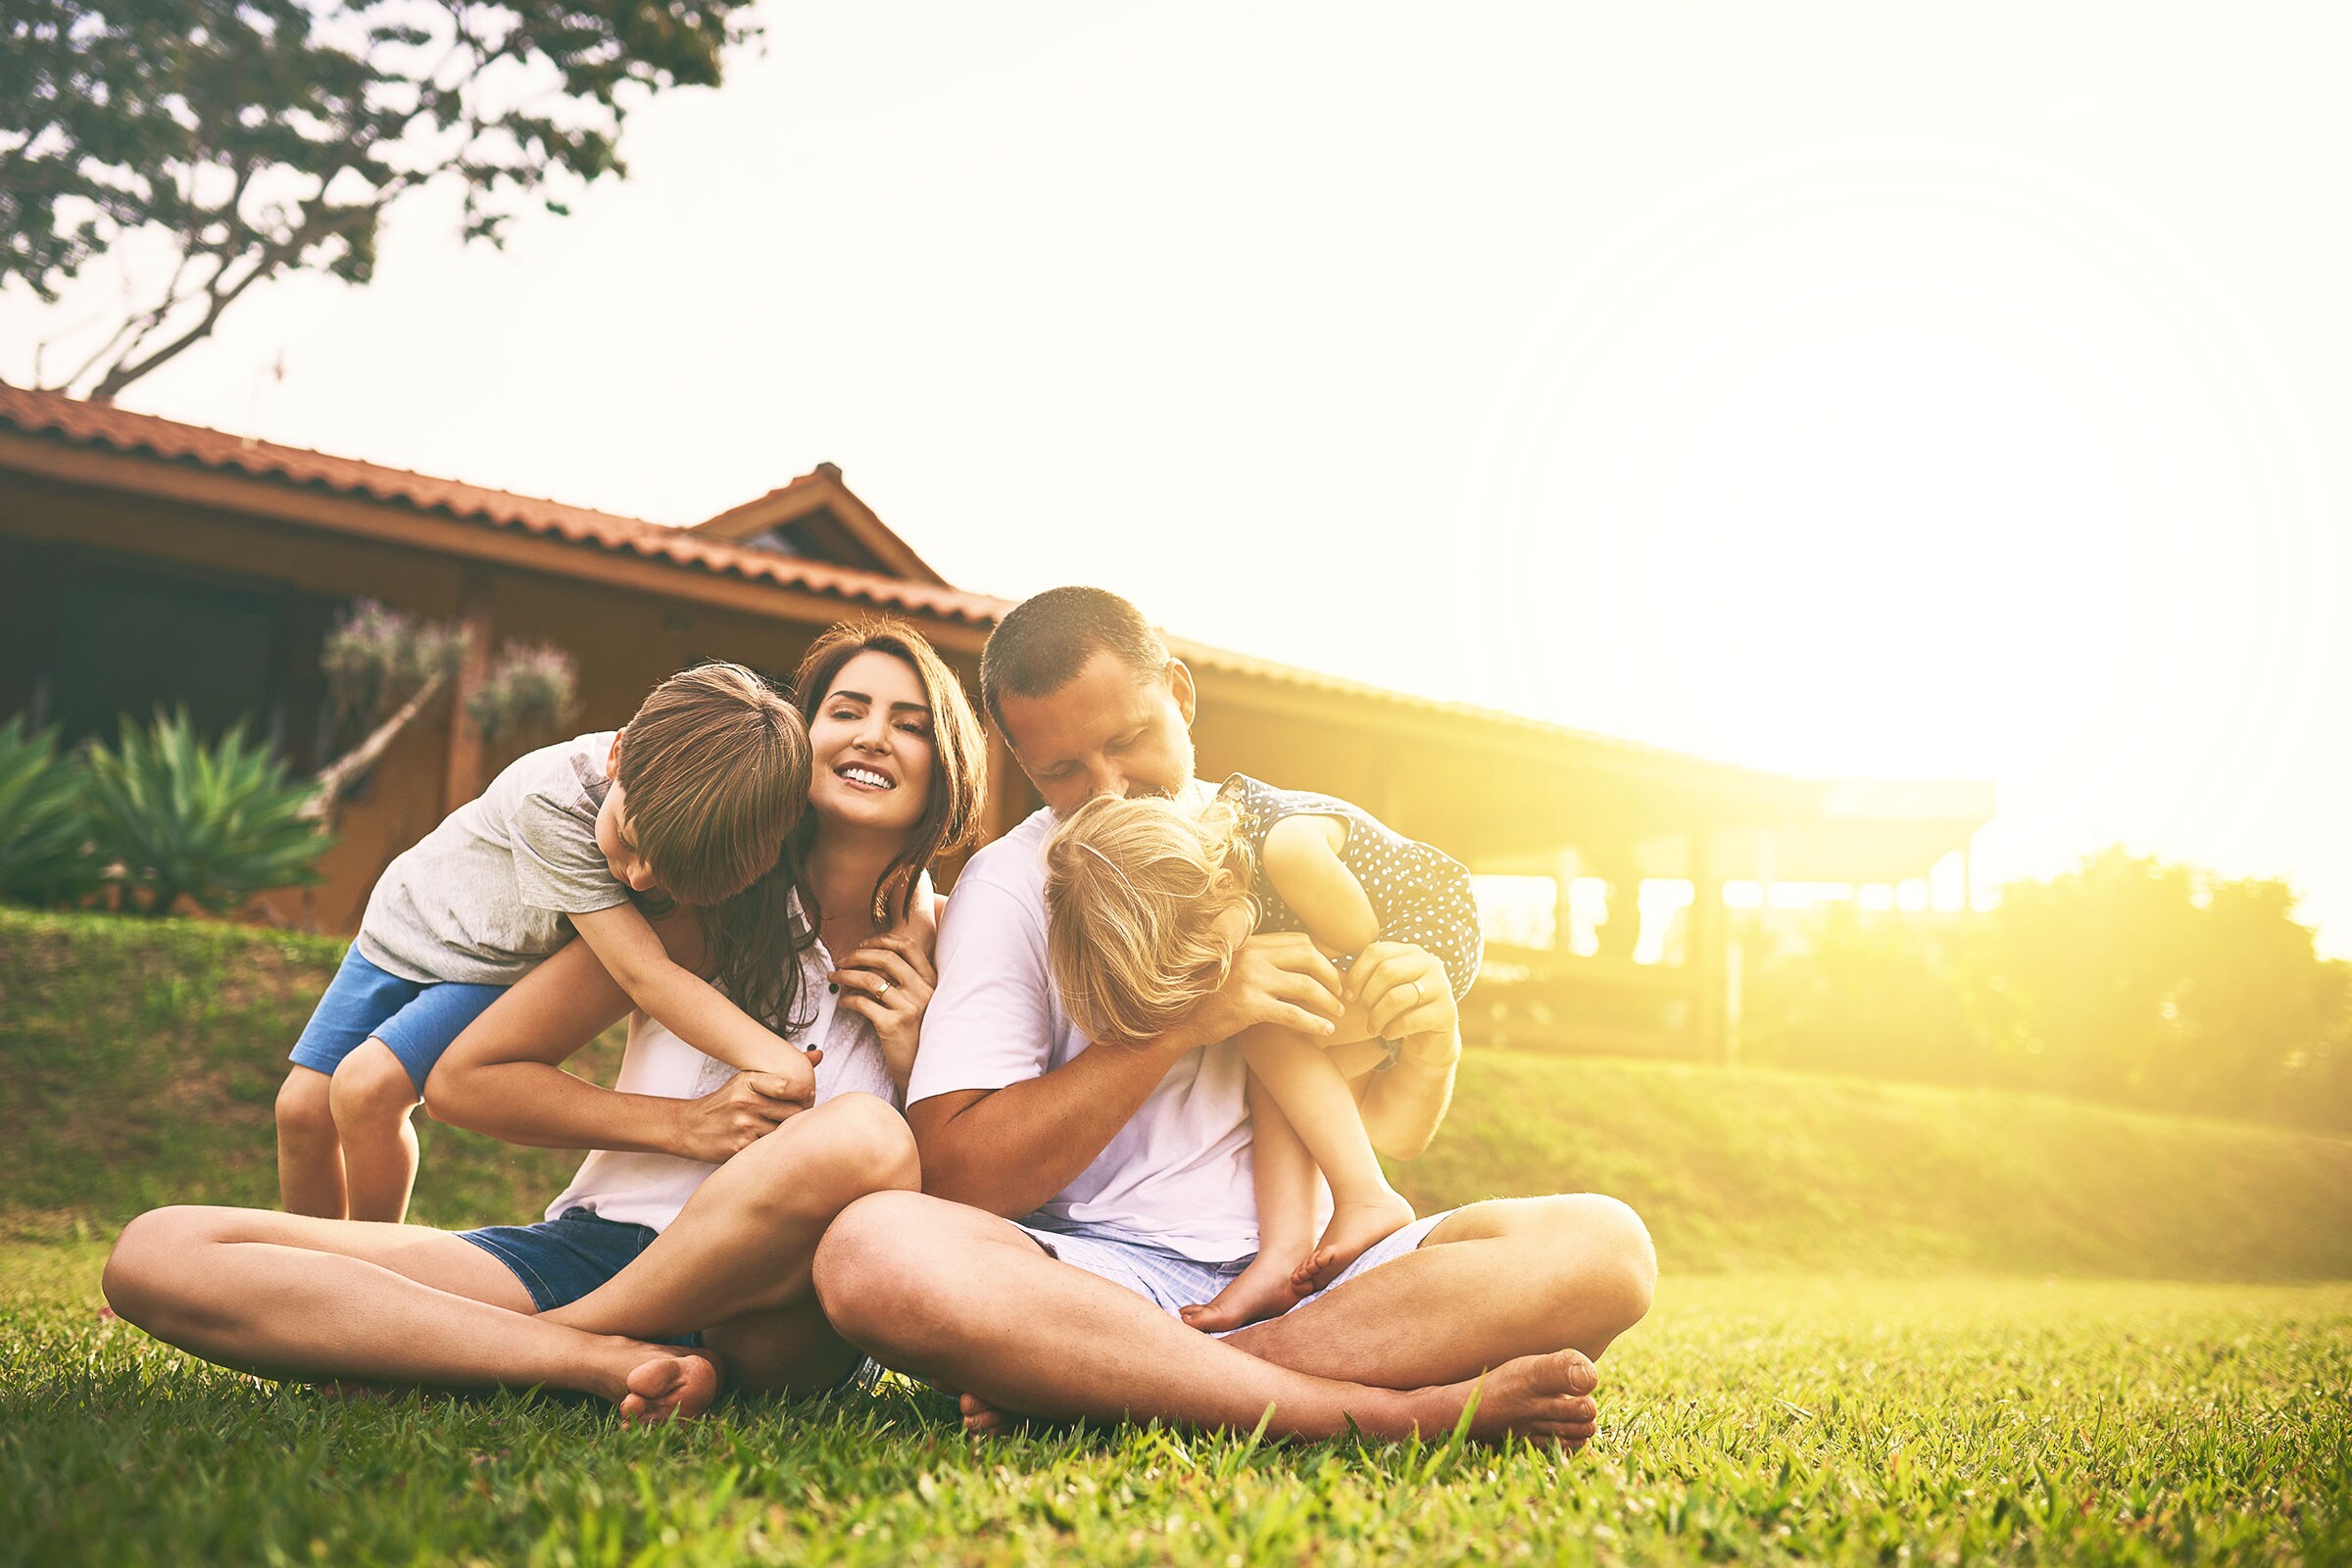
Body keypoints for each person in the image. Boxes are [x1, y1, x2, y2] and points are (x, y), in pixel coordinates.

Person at [810, 586, 1656, 1446]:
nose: (1107, 789)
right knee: (871, 1251)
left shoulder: (1292, 847)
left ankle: (1138, 1377)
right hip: (1103, 1276)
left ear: (1179, 694)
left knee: (1605, 1248)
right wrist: (1187, 1020)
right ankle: (1391, 1412)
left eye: (1127, 741)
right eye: (1062, 771)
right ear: (1021, 761)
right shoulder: (1012, 883)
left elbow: (1379, 1131)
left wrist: (1431, 1046)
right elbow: (959, 1176)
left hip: (1331, 1276)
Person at [103, 618, 987, 1418]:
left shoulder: (959, 944)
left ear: (947, 760)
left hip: (790, 1306)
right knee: (161, 1249)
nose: (874, 734)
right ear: (800, 739)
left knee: (863, 1137)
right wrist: (686, 1127)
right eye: (847, 708)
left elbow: (978, 1199)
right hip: (599, 1247)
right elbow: (466, 1081)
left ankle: (547, 1342)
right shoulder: (702, 905)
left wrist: (915, 1056)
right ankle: (583, 1359)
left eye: (909, 722)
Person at [274, 662, 822, 1224]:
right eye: (629, 843)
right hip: (405, 923)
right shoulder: (556, 804)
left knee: (366, 1090)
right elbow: (644, 974)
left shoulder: (676, 807)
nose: (636, 879)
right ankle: (297, 1279)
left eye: (664, 875)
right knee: (300, 1111)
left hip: (486, 963)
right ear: (618, 757)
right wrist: (777, 1060)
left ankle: (362, 1267)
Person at [1042, 765, 1482, 1332]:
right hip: (1386, 953)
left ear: (1211, 889)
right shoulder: (1234, 866)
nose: (1212, 978)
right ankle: (1286, 1252)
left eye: (1206, 959)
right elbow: (1394, 1130)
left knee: (1269, 1030)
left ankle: (1367, 1197)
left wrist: (1326, 974)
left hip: (1419, 933)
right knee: (1279, 1072)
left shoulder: (1285, 849)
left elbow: (1357, 935)